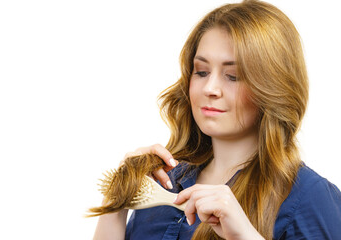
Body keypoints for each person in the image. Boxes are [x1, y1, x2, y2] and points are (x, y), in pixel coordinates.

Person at [93, 0, 341, 239]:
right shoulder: (165, 183)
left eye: (233, 76)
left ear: (272, 87)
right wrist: (118, 197)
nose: (210, 88)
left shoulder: (310, 196)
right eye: (201, 72)